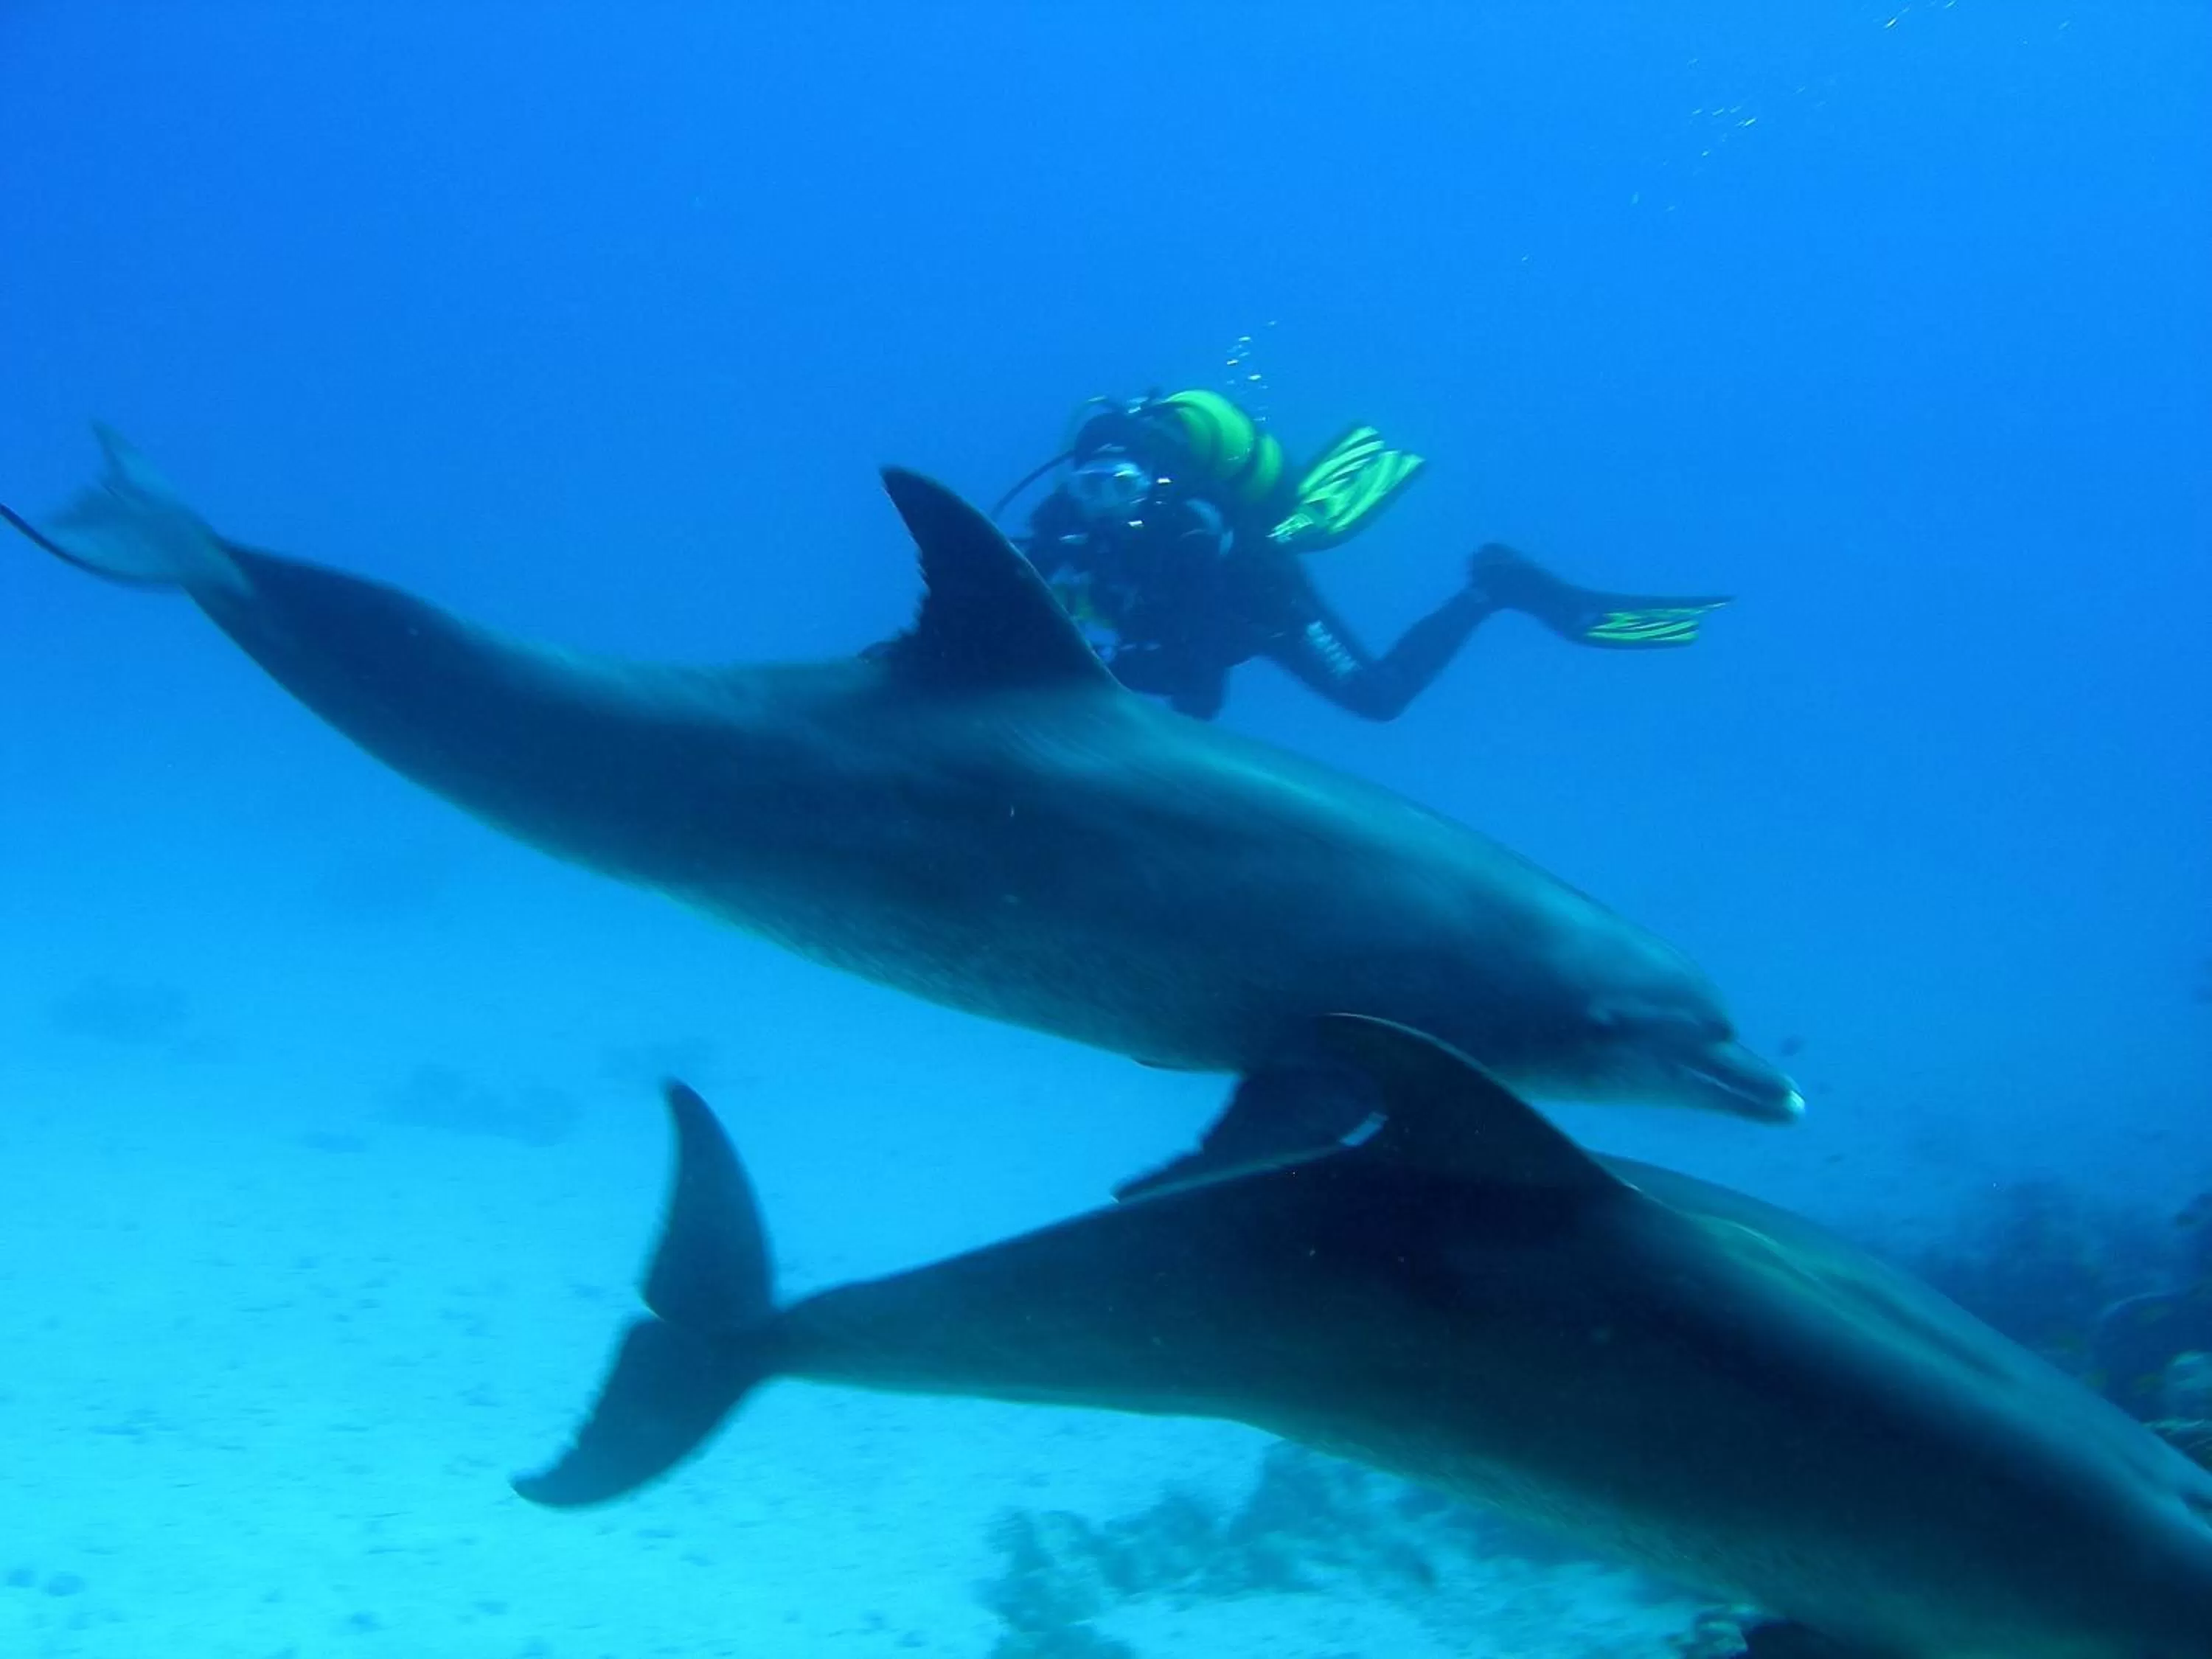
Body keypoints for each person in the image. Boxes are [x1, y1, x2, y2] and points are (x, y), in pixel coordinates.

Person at [990, 388, 1732, 722]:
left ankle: (1493, 588)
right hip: (1179, 629)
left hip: (1263, 612)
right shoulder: (1068, 524)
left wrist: (1101, 673)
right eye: (1088, 488)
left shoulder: (1191, 529)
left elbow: (1201, 684)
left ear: (1150, 479)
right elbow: (1022, 578)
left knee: (1377, 700)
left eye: (1118, 485)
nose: (1104, 504)